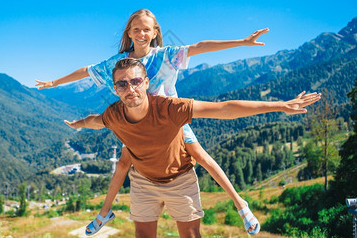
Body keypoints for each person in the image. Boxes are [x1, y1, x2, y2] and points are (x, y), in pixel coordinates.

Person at [35, 9, 269, 235]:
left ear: (155, 32)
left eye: (146, 29)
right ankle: (104, 212)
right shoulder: (119, 63)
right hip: (138, 125)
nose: (141, 34)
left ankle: (240, 205)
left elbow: (200, 47)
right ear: (129, 32)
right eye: (136, 29)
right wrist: (55, 82)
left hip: (170, 120)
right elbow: (87, 70)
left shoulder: (166, 55)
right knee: (123, 164)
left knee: (200, 155)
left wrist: (242, 42)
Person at [64, 58, 321, 237]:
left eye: (135, 81)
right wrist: (78, 124)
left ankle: (240, 205)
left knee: (190, 235)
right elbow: (94, 121)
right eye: (122, 84)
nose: (129, 88)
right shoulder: (114, 115)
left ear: (145, 82)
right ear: (115, 88)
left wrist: (280, 105)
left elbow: (225, 108)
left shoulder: (169, 109)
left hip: (180, 179)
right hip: (143, 181)